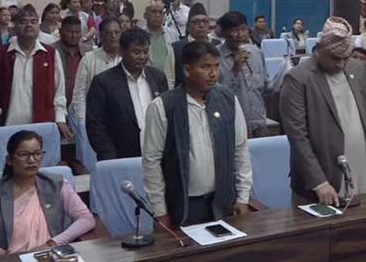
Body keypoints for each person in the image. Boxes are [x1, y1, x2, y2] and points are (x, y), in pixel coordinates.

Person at [143, 41, 252, 227]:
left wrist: (243, 196)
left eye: (216, 66)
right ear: (187, 70)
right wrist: (159, 210)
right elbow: (152, 162)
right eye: (205, 67)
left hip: (223, 202)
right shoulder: (163, 106)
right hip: (184, 206)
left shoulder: (228, 100)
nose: (213, 74)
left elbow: (240, 150)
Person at [280, 17, 366, 206]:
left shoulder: (356, 69)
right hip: (322, 180)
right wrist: (319, 182)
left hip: (362, 168)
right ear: (320, 48)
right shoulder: (298, 78)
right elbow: (297, 136)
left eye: (346, 58)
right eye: (335, 58)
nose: (341, 64)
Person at [0, 131, 94, 258]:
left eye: (37, 154)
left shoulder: (57, 184)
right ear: (9, 160)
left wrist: (53, 243)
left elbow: (86, 219)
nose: (31, 160)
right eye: (23, 154)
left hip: (50, 256)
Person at [0, 5, 70, 138]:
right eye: (23, 22)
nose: (29, 25)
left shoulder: (50, 54)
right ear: (13, 26)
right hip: (3, 127)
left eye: (33, 21)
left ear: (38, 26)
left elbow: (59, 92)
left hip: (41, 127)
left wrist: (60, 119)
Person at [87, 29, 168, 160]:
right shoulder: (103, 82)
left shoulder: (158, 77)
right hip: (121, 157)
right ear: (121, 51)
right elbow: (95, 126)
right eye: (136, 52)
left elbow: (166, 115)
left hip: (157, 155)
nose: (142, 57)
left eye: (146, 52)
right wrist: (109, 156)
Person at [217, 12, 270, 138]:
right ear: (224, 33)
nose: (240, 34)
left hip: (258, 123)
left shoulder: (256, 52)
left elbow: (265, 86)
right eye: (234, 31)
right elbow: (217, 94)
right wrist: (235, 70)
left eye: (243, 29)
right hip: (231, 124)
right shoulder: (215, 56)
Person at [70, 18, 122, 122]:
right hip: (95, 120)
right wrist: (82, 122)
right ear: (100, 36)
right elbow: (79, 96)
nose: (113, 36)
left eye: (117, 32)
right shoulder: (88, 60)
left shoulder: (128, 59)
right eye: (108, 33)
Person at [51, 16, 90, 109]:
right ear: (60, 32)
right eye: (69, 32)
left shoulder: (88, 52)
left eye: (77, 32)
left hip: (83, 106)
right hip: (56, 104)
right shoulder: (51, 51)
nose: (74, 36)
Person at [173, 3, 214, 87]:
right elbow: (170, 79)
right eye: (196, 22)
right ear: (188, 26)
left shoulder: (216, 45)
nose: (201, 25)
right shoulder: (177, 48)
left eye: (205, 21)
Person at [141, 0, 177, 89]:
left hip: (169, 83)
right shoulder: (139, 35)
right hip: (146, 83)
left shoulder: (173, 34)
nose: (157, 15)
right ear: (145, 15)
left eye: (160, 12)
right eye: (153, 12)